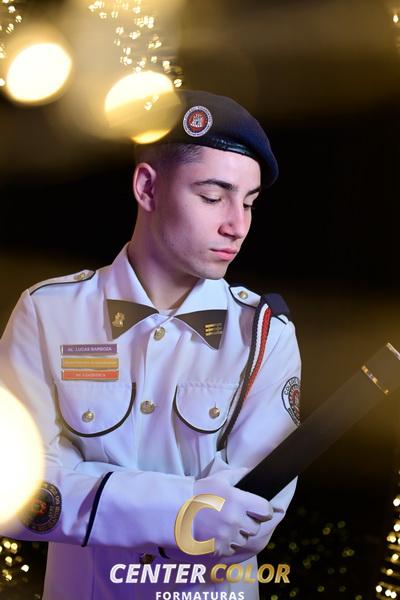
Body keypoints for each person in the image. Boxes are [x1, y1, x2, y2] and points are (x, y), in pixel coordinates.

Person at [0, 89, 301, 600]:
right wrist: (180, 509)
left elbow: (249, 516)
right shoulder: (48, 314)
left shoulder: (264, 336)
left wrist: (86, 485)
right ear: (147, 188)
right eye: (213, 197)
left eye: (249, 202)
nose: (237, 225)